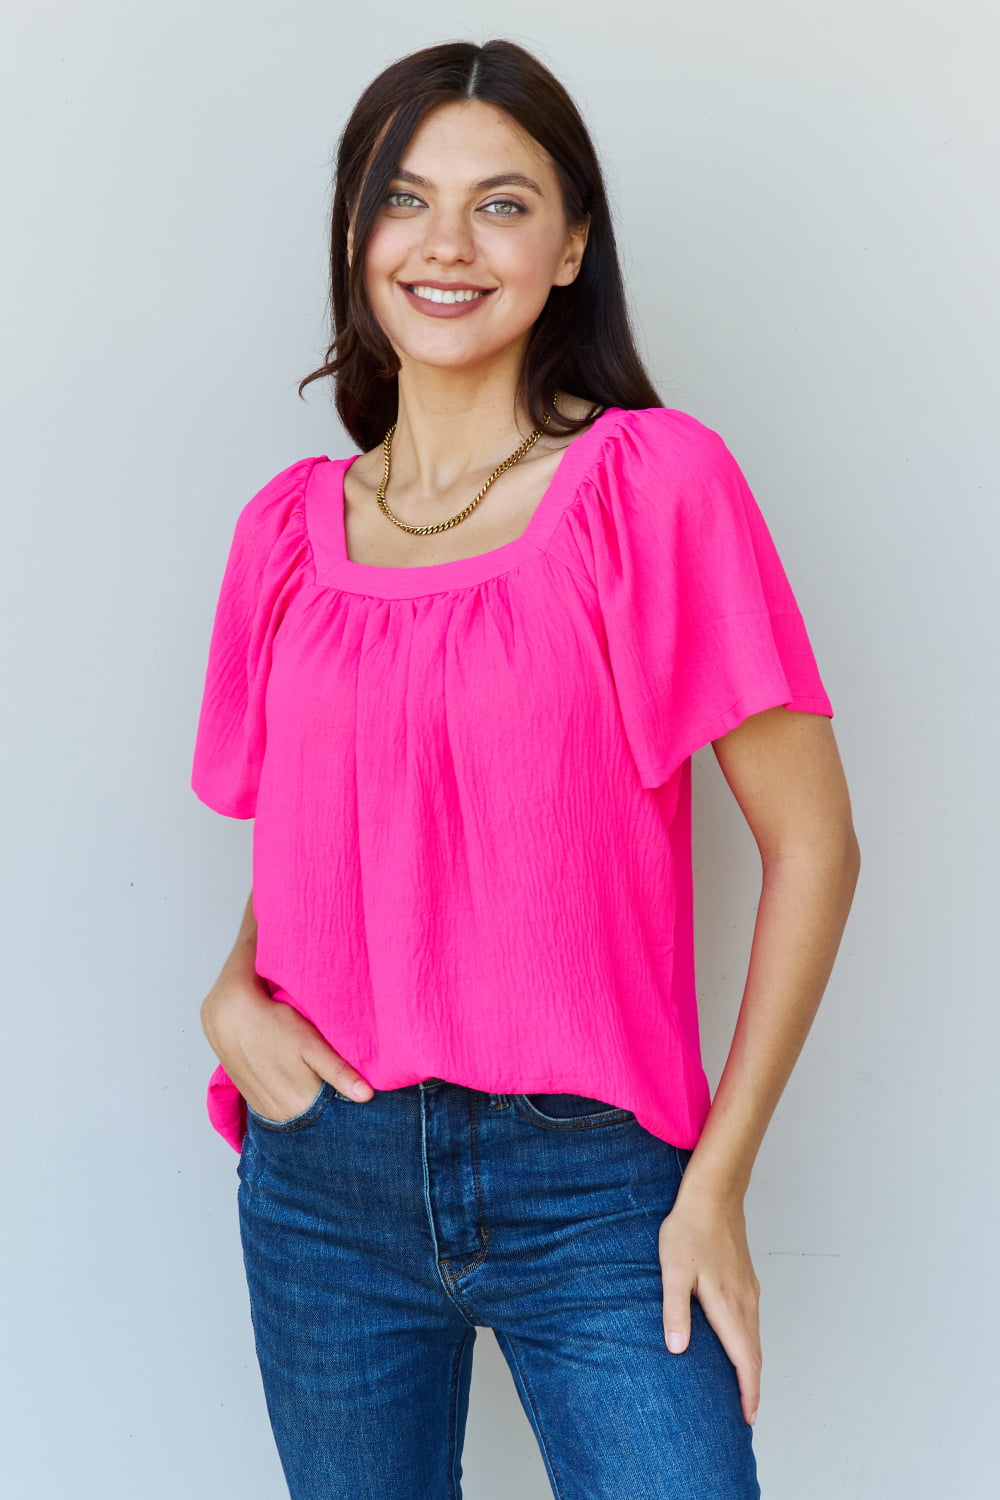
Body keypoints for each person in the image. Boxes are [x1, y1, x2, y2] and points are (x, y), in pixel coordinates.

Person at [190, 37, 860, 1500]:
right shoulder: (284, 533)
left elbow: (816, 846)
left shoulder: (654, 488)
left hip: (596, 1182)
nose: (446, 244)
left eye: (502, 204)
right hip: (322, 1174)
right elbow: (314, 837)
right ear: (358, 240)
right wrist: (232, 992)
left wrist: (719, 1185)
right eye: (405, 201)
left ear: (570, 251)